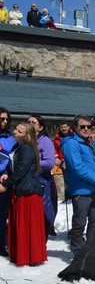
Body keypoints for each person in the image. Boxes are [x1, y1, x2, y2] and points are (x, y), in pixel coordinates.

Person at [0, 122, 47, 266]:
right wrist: (6, 174)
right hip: (19, 190)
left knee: (27, 226)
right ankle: (21, 254)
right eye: (15, 129)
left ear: (26, 135)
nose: (14, 132)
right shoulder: (17, 147)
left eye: (19, 131)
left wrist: (5, 185)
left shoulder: (27, 149)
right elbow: (11, 165)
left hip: (28, 192)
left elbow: (21, 170)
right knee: (21, 225)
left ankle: (29, 256)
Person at [60, 115, 95, 254]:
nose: (86, 129)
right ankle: (77, 251)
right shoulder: (71, 143)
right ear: (75, 128)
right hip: (81, 190)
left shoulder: (91, 142)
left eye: (88, 126)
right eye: (82, 126)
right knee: (80, 223)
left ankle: (91, 250)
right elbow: (77, 167)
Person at [27, 115, 57, 238]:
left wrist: (31, 163)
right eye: (28, 122)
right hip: (26, 182)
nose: (30, 124)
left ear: (40, 128)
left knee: (42, 214)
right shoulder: (25, 141)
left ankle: (41, 242)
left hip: (41, 182)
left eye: (33, 122)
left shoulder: (45, 141)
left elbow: (50, 162)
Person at [0, 107, 15, 257]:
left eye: (6, 119)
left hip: (3, 179)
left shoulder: (10, 138)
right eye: (1, 119)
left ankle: (1, 244)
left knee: (2, 214)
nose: (4, 122)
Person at [53, 122, 72, 202]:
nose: (64, 129)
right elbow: (55, 149)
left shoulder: (73, 136)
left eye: (65, 127)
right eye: (62, 127)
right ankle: (68, 195)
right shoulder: (57, 137)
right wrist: (58, 158)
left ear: (68, 127)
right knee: (65, 178)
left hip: (71, 159)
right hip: (62, 160)